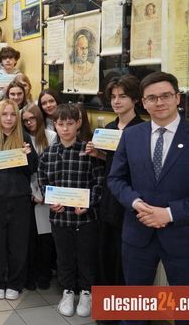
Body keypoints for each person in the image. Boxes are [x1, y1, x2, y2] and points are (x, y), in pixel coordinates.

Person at [109, 72, 189, 320]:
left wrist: (169, 213)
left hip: (182, 236)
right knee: (135, 308)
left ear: (178, 98)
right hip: (137, 233)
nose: (159, 102)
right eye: (152, 98)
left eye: (166, 96)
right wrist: (135, 202)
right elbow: (116, 179)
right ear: (143, 102)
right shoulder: (132, 136)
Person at [38, 103, 104, 318]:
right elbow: (43, 181)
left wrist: (89, 202)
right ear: (54, 125)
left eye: (69, 123)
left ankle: (86, 292)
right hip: (60, 217)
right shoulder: (48, 154)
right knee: (64, 256)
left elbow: (99, 181)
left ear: (78, 124)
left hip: (86, 218)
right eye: (60, 124)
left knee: (86, 255)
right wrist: (50, 200)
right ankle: (67, 291)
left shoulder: (89, 151)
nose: (65, 129)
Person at [84, 75, 144, 288]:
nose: (117, 101)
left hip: (131, 198)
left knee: (125, 254)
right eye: (113, 97)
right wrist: (98, 154)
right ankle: (106, 303)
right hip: (108, 197)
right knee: (105, 249)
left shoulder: (142, 130)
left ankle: (124, 304)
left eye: (123, 96)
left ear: (135, 99)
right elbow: (112, 164)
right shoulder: (108, 128)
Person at [0, 99, 37, 300]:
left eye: (13, 114)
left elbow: (33, 169)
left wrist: (29, 156)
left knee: (18, 244)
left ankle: (15, 282)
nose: (9, 118)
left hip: (20, 199)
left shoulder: (24, 138)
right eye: (5, 114)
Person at [21, 103, 57, 290]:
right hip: (28, 193)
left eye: (32, 119)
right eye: (25, 120)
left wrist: (43, 193)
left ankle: (44, 275)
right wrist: (32, 192)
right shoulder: (22, 138)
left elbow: (53, 167)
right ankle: (31, 275)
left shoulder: (51, 136)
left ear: (39, 118)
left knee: (45, 239)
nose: (29, 123)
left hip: (46, 193)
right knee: (30, 239)